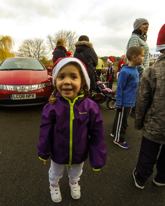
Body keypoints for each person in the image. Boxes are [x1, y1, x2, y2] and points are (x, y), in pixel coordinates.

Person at [37, 57, 107, 203]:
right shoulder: (52, 107)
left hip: (79, 152)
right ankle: (54, 184)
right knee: (55, 172)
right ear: (56, 81)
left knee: (76, 172)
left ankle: (73, 182)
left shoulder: (90, 107)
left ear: (82, 82)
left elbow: (97, 134)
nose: (67, 81)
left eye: (73, 77)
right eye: (61, 77)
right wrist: (43, 153)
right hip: (58, 152)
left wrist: (97, 157)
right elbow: (45, 132)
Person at [133, 18, 165, 189]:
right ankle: (164, 177)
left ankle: (141, 177)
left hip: (154, 125)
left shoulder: (152, 70)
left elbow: (142, 100)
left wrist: (138, 122)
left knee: (148, 153)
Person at [110, 46, 143, 149]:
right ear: (134, 57)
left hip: (130, 101)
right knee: (122, 121)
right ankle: (118, 139)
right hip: (124, 102)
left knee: (120, 119)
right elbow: (119, 89)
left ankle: (115, 132)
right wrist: (119, 102)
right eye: (142, 56)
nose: (143, 58)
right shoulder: (125, 72)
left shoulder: (136, 69)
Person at [126, 18, 149, 118]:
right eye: (144, 24)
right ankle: (130, 114)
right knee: (137, 94)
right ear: (138, 26)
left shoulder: (141, 38)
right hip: (139, 72)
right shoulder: (135, 37)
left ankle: (134, 112)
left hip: (143, 71)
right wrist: (143, 71)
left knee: (139, 94)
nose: (147, 25)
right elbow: (133, 56)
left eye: (148, 24)